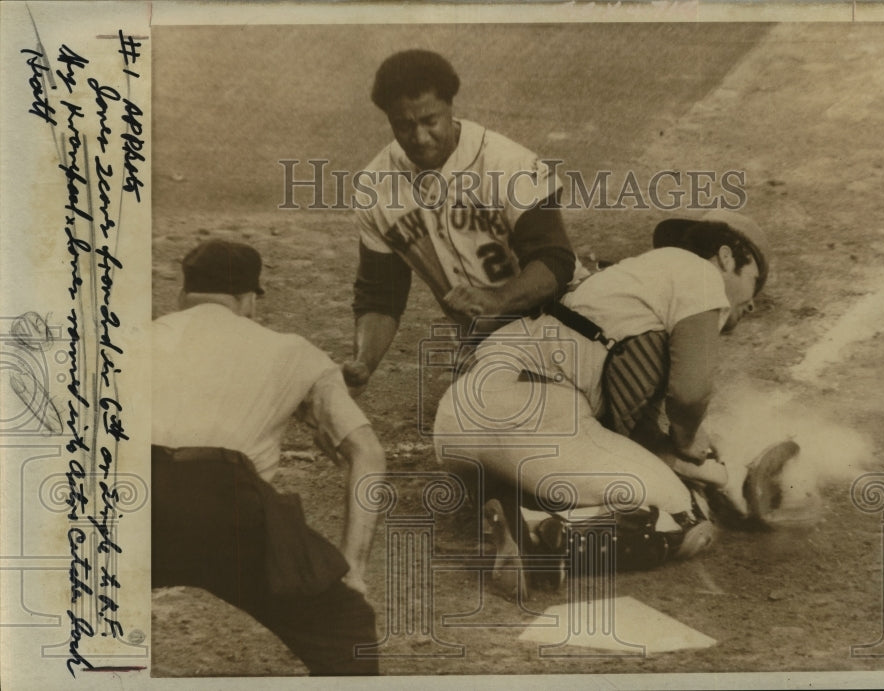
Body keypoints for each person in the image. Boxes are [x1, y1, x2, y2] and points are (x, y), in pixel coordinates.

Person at [433, 210, 793, 589]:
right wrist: (689, 440)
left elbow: (636, 439)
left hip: (464, 424)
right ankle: (534, 538)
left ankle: (509, 499)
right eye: (755, 280)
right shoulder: (699, 274)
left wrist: (716, 475)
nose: (753, 304)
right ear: (724, 256)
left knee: (629, 475)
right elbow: (690, 394)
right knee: (683, 516)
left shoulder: (630, 290)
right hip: (527, 419)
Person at [151, 240, 385, 675]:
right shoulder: (294, 351)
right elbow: (367, 452)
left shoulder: (129, 338)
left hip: (125, 496)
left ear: (181, 297)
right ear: (249, 302)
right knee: (345, 626)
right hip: (225, 508)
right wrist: (353, 567)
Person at [344, 49, 584, 394]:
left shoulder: (506, 163)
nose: (420, 137)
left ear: (450, 107)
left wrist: (497, 301)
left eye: (430, 121)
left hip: (565, 312)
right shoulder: (376, 187)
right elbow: (381, 297)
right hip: (491, 337)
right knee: (486, 425)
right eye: (405, 125)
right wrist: (364, 361)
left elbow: (555, 260)